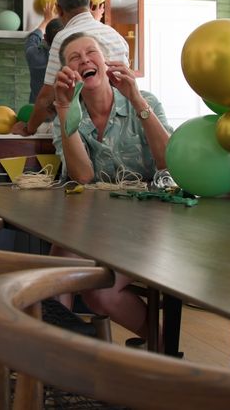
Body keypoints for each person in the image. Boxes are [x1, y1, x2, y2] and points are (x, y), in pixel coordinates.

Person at [50, 31, 172, 341]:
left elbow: (169, 161)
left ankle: (163, 349)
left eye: (91, 53)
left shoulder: (144, 101)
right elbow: (83, 176)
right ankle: (52, 356)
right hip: (98, 228)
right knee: (60, 262)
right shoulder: (66, 114)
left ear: (106, 62)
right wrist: (64, 109)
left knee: (98, 294)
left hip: (152, 226)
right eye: (74, 58)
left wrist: (136, 99)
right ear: (68, 73)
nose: (84, 60)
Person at [14, 0, 129, 136]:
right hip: (122, 126)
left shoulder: (64, 38)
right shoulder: (115, 35)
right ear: (89, 4)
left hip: (85, 131)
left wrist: (29, 129)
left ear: (59, 10)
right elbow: (127, 84)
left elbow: (46, 97)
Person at [24, 2, 64, 103]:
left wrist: (46, 20)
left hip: (36, 113)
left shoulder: (34, 56)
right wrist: (95, 19)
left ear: (45, 38)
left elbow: (32, 38)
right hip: (62, 114)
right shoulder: (72, 59)